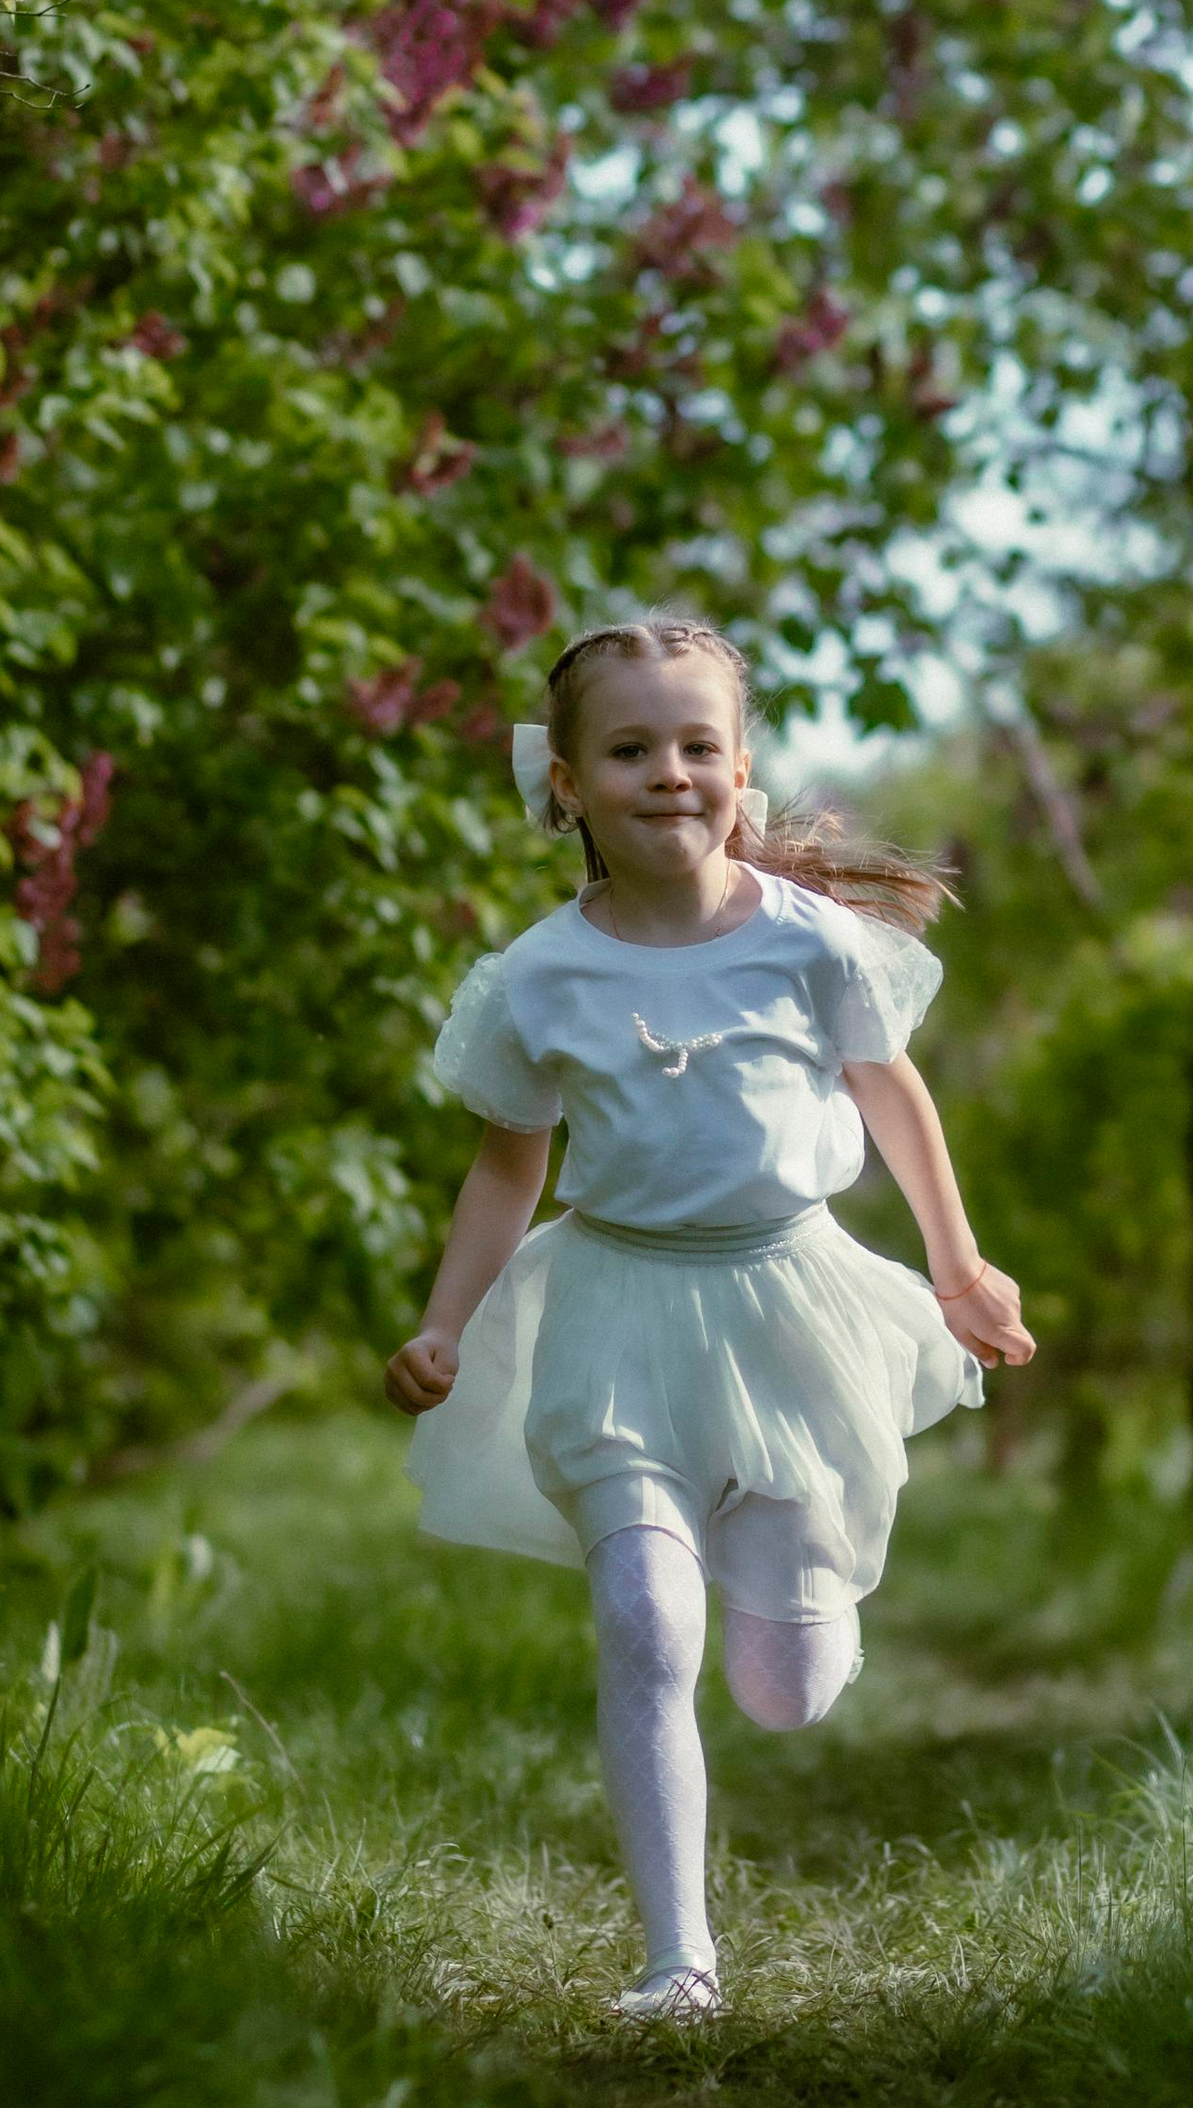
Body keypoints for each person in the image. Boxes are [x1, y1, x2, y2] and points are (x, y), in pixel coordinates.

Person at [385, 614, 1035, 2023]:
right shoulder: (540, 976)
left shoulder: (812, 945)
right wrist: (446, 1322)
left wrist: (960, 1269)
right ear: (569, 783)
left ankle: (805, 1593)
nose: (668, 773)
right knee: (641, 1618)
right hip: (616, 1313)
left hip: (786, 1307)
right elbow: (507, 1166)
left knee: (785, 1688)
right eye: (631, 749)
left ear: (741, 773)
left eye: (698, 746)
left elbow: (893, 1099)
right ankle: (680, 1959)